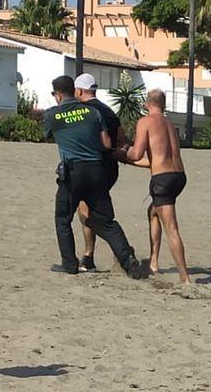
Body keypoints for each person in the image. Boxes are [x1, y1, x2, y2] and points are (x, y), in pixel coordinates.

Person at [43, 75, 146, 279]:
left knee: (63, 218)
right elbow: (107, 144)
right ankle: (128, 261)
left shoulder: (52, 114)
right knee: (106, 221)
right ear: (75, 91)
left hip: (73, 173)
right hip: (97, 171)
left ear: (58, 95)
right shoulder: (93, 112)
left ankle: (70, 263)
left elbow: (48, 134)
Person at [119, 89, 191, 284]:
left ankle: (185, 278)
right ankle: (154, 262)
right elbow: (155, 161)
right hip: (179, 176)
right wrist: (127, 160)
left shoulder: (145, 122)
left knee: (171, 228)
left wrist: (119, 154)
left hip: (163, 180)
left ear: (146, 103)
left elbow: (136, 154)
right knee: (153, 211)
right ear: (164, 104)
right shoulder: (169, 123)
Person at [72, 73, 128, 273]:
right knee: (90, 208)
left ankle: (114, 251)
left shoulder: (82, 111)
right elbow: (122, 139)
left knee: (87, 212)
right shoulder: (109, 112)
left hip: (92, 168)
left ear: (79, 91)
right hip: (111, 168)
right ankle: (90, 256)